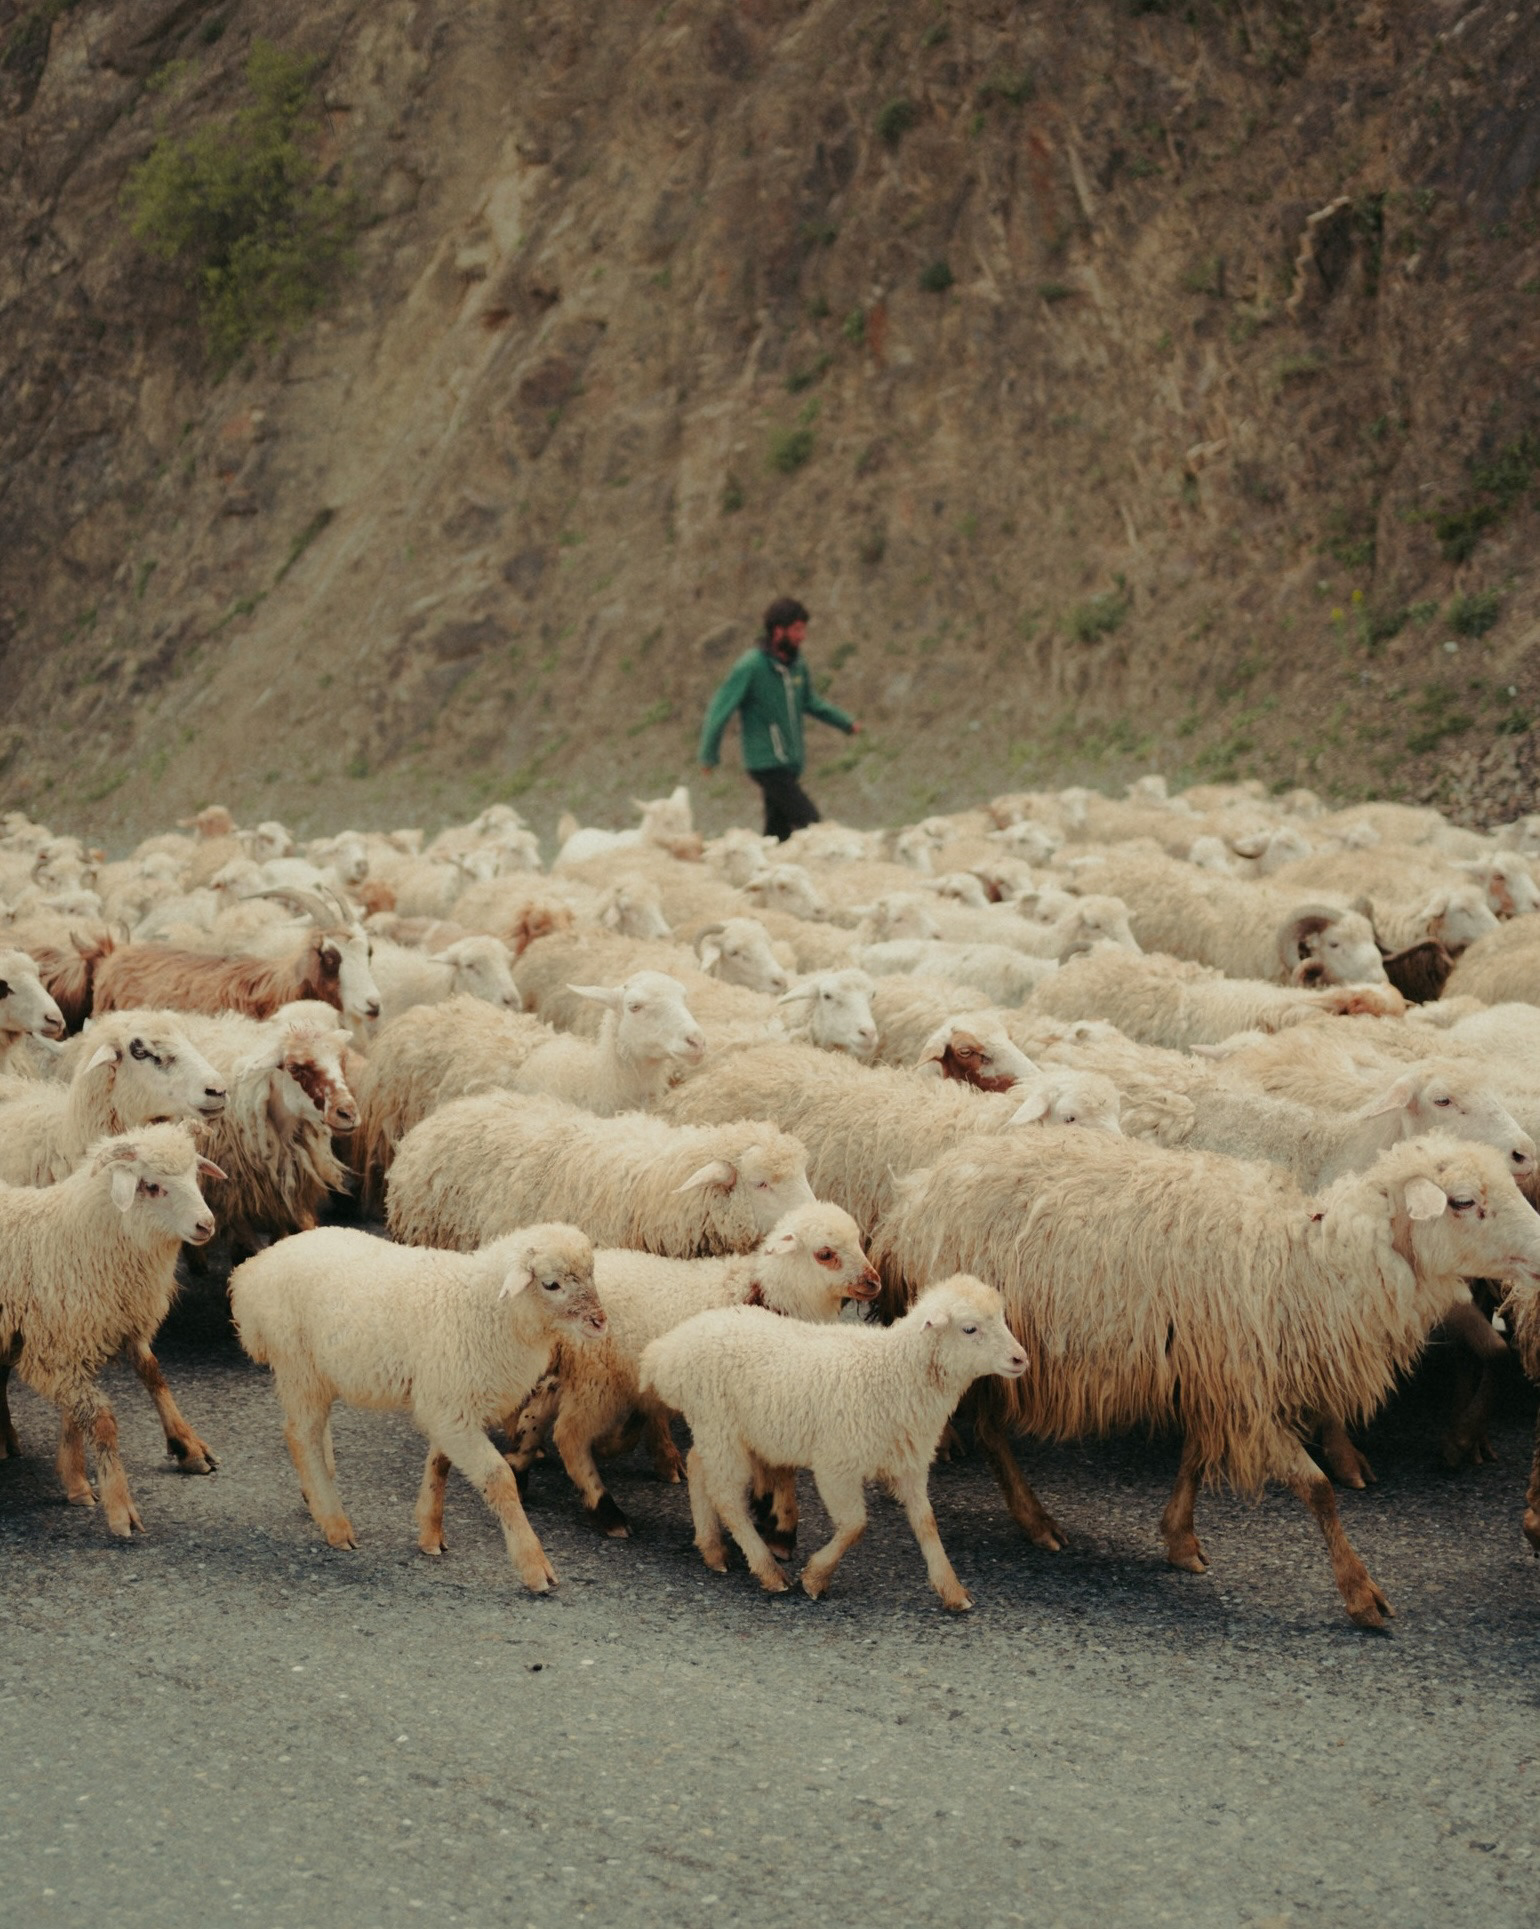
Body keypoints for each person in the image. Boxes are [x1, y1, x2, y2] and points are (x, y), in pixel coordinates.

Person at [697, 597, 860, 841]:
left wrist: (845, 722)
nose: (802, 636)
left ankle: (768, 860)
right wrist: (708, 755)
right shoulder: (751, 666)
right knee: (812, 824)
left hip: (789, 762)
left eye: (803, 630)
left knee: (777, 835)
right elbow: (720, 709)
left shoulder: (797, 666)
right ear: (777, 631)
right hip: (766, 762)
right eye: (797, 630)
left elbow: (811, 702)